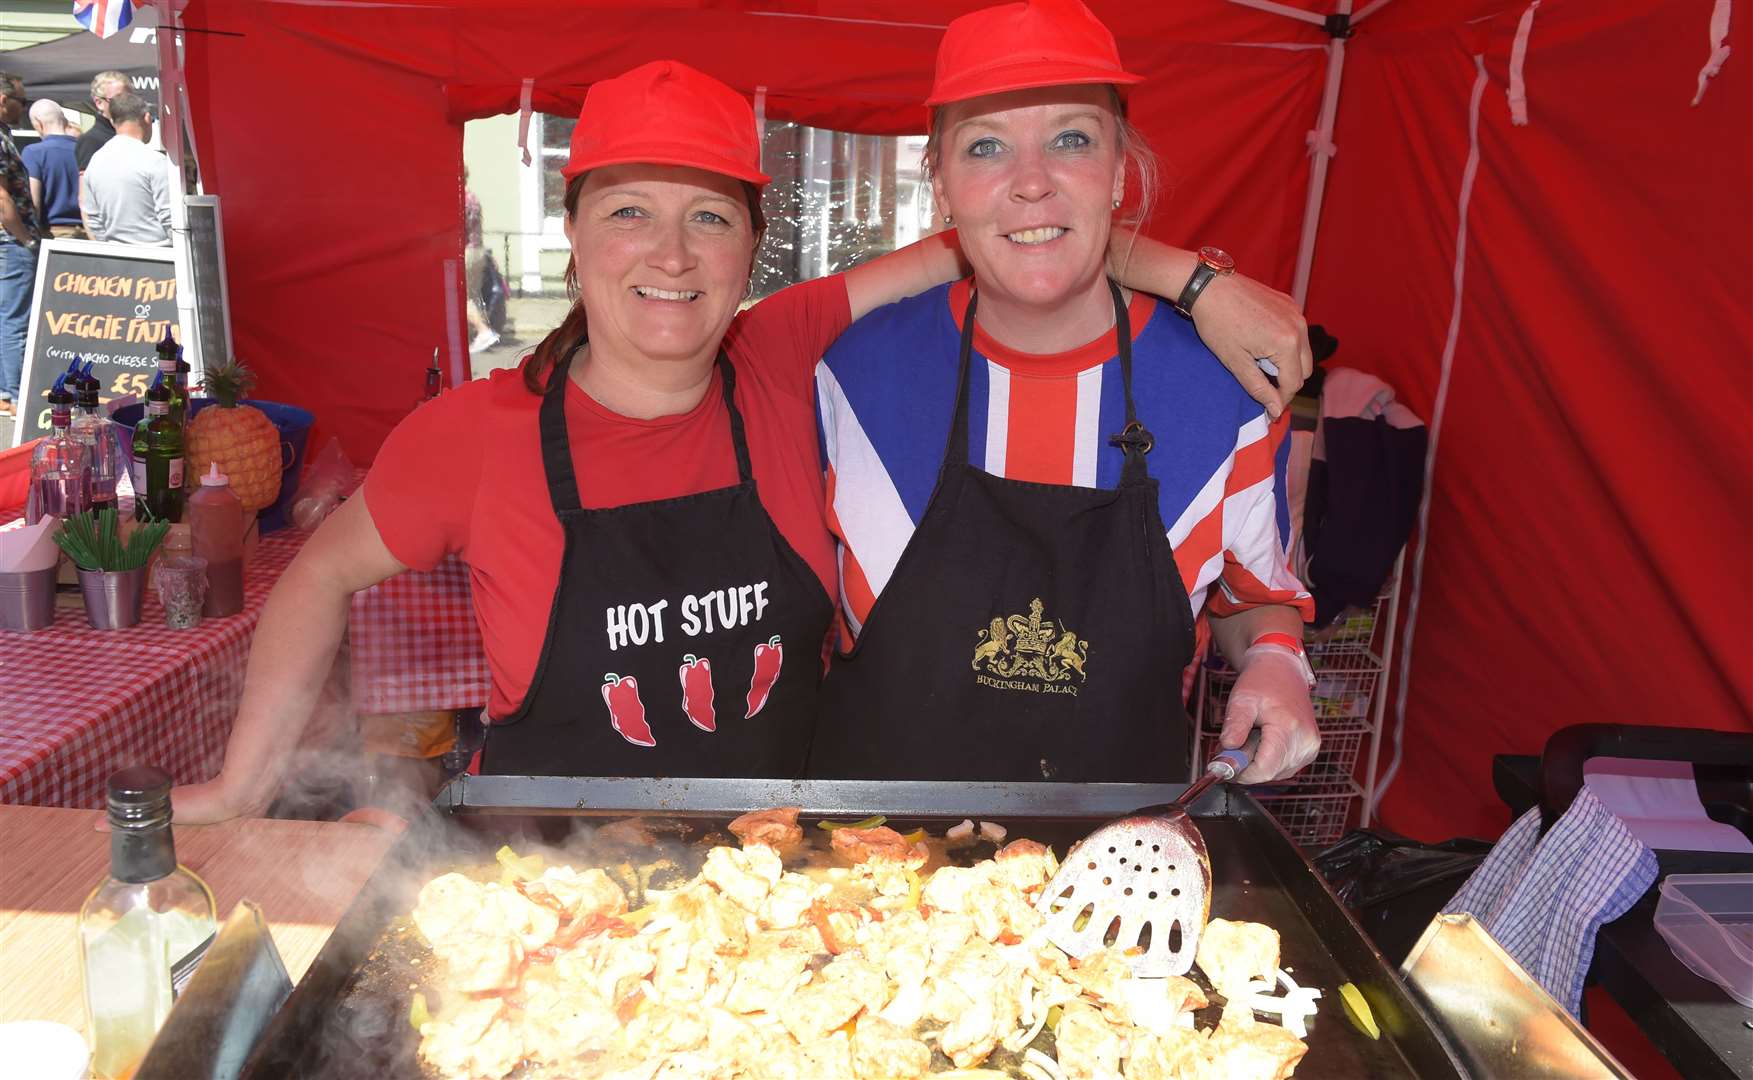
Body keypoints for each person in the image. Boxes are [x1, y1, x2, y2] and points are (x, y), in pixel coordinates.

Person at [171, 60, 1310, 823]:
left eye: (707, 218)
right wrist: (237, 791)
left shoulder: (784, 357)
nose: (669, 256)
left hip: (779, 865)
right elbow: (317, 573)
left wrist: (1193, 281)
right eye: (628, 213)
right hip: (548, 873)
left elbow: (1019, 233)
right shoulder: (472, 432)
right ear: (570, 234)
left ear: (753, 251)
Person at [807, 0, 1322, 786]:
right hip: (869, 877)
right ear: (941, 187)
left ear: (1118, 173)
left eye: (1070, 139)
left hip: (1117, 875)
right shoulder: (846, 375)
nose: (1032, 183)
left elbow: (1252, 599)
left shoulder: (1223, 392)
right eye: (985, 148)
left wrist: (1278, 662)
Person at [0, 72, 44, 416]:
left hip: (9, 241)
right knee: (16, 320)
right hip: (11, 242)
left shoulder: (5, 135)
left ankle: (6, 391)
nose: (23, 108)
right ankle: (14, 397)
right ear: (3, 100)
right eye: (21, 101)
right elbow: (2, 199)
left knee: (8, 317)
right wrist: (26, 239)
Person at [80, 91, 171, 246]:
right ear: (147, 118)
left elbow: (93, 219)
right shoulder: (154, 160)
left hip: (117, 257)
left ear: (113, 122)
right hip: (159, 255)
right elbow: (170, 217)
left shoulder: (96, 160)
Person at [24, 100, 85, 240]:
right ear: (64, 120)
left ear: (39, 123)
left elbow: (34, 202)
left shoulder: (34, 152)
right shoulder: (86, 151)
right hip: (88, 234)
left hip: (54, 235)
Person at [75, 70, 132, 173]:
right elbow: (86, 185)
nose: (126, 104)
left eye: (129, 99)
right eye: (118, 99)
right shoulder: (91, 141)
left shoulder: (131, 134)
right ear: (99, 103)